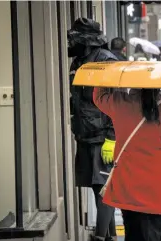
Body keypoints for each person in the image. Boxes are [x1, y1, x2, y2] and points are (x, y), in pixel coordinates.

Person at [92, 87, 161, 241]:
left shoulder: (120, 104)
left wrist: (105, 74)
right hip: (158, 192)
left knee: (134, 234)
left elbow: (99, 96)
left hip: (128, 189)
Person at [67, 18, 118, 241]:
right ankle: (110, 235)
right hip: (85, 134)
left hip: (102, 137)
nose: (71, 44)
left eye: (76, 39)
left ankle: (100, 237)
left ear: (88, 42)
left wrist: (112, 138)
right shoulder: (79, 62)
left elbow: (117, 103)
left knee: (104, 189)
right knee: (97, 187)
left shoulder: (106, 62)